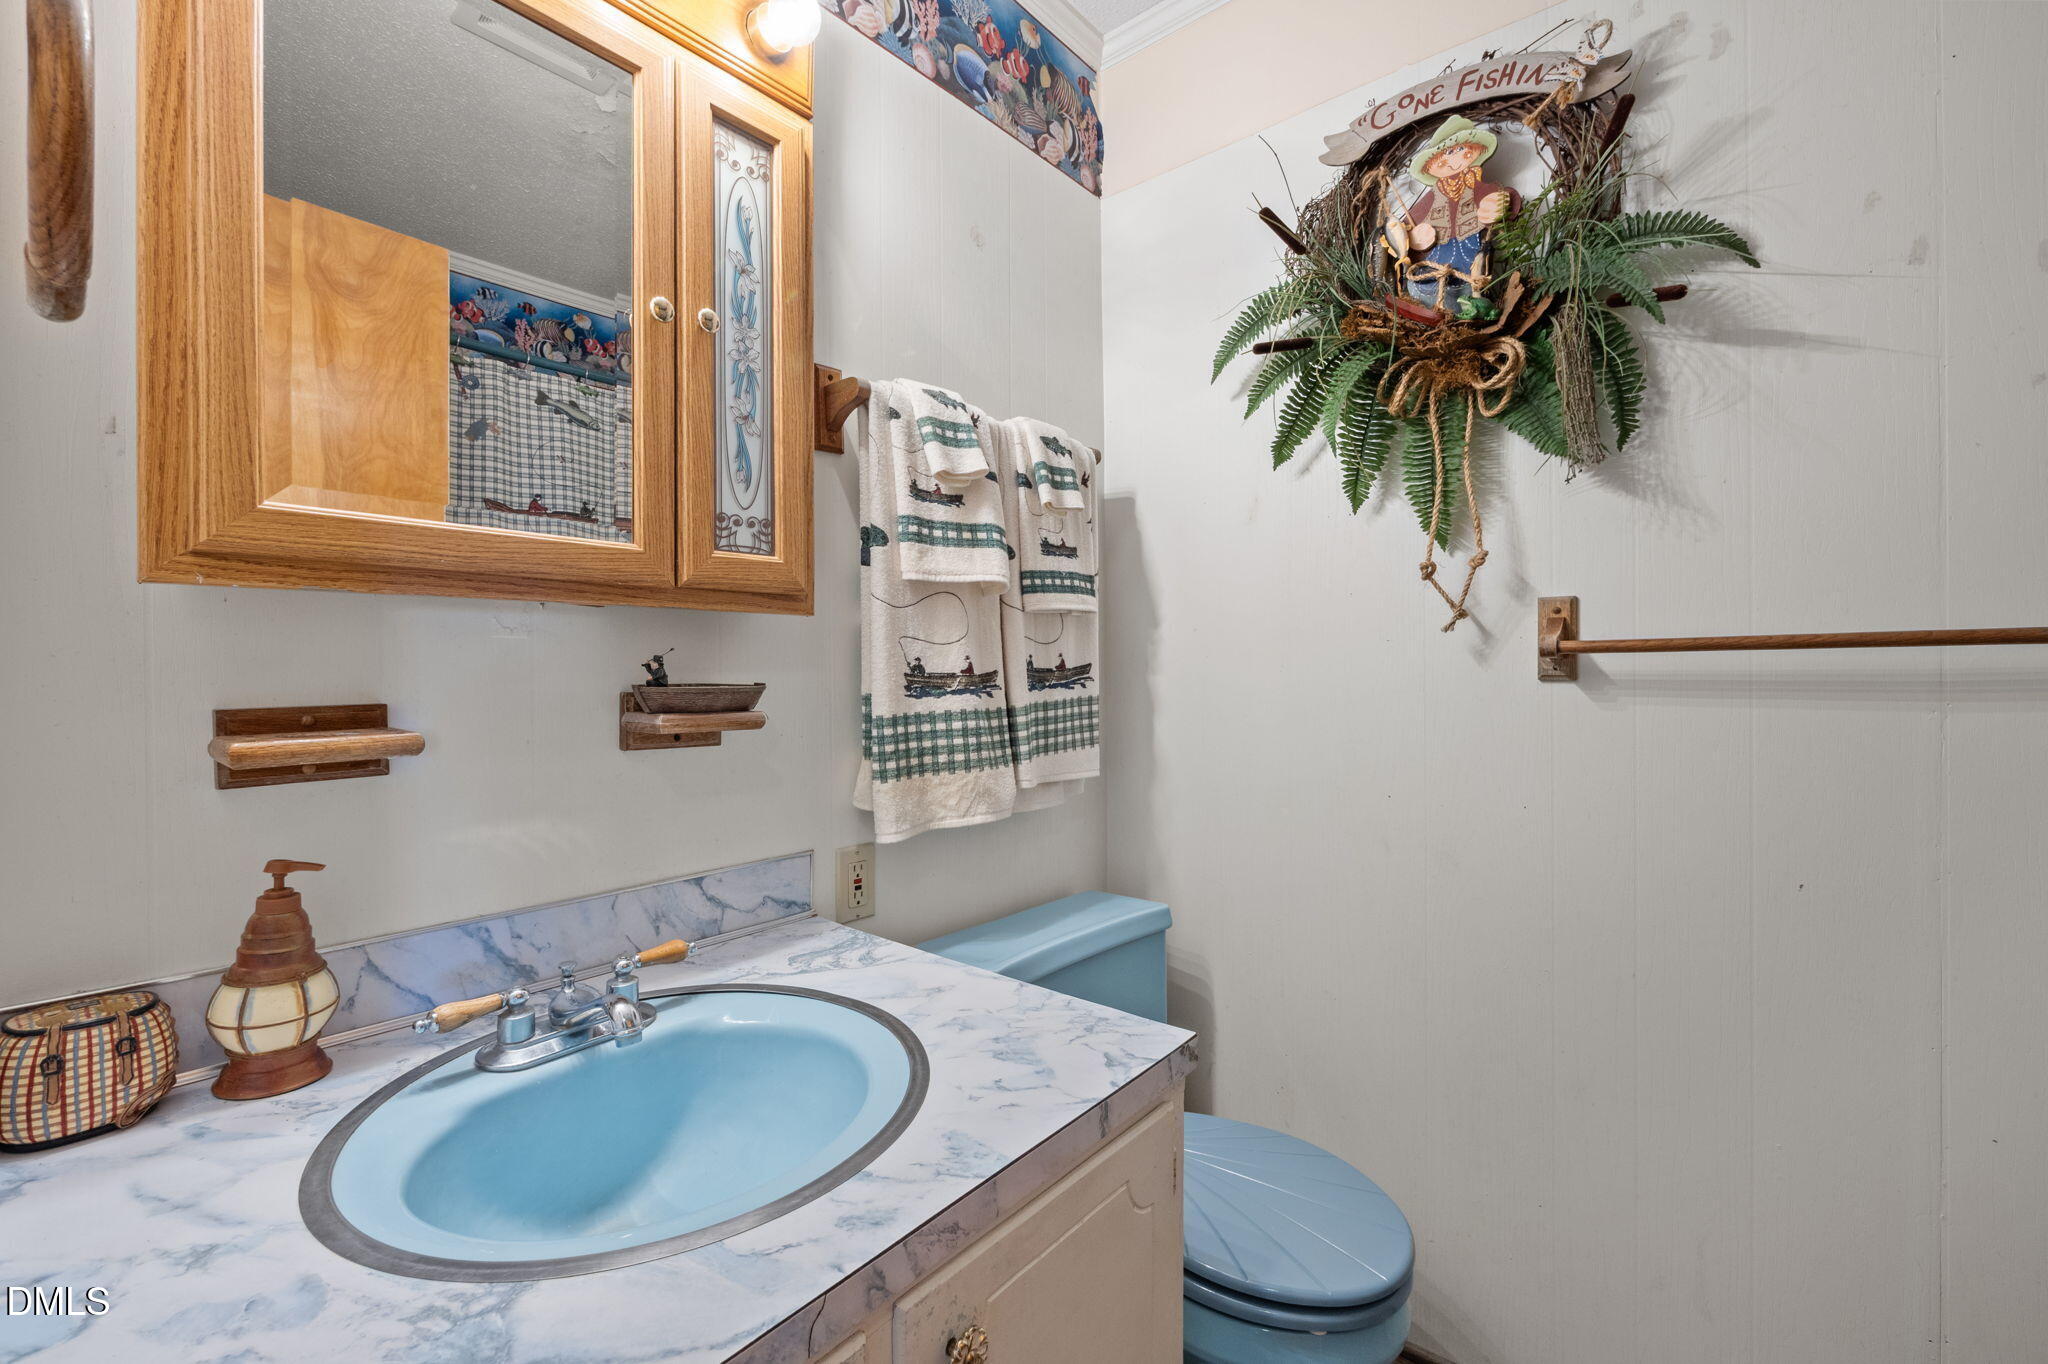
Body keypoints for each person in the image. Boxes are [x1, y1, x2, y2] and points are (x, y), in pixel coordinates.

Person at [1386, 116, 1517, 311]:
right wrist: (1413, 238)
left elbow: (1506, 198)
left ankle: (1470, 304)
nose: (1452, 160)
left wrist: (1502, 202)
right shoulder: (1432, 197)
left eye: (1459, 150)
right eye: (1444, 155)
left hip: (1470, 249)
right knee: (1427, 281)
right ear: (1431, 165)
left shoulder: (1478, 187)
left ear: (1474, 151)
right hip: (1439, 254)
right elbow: (1404, 228)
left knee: (1470, 278)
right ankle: (1432, 303)